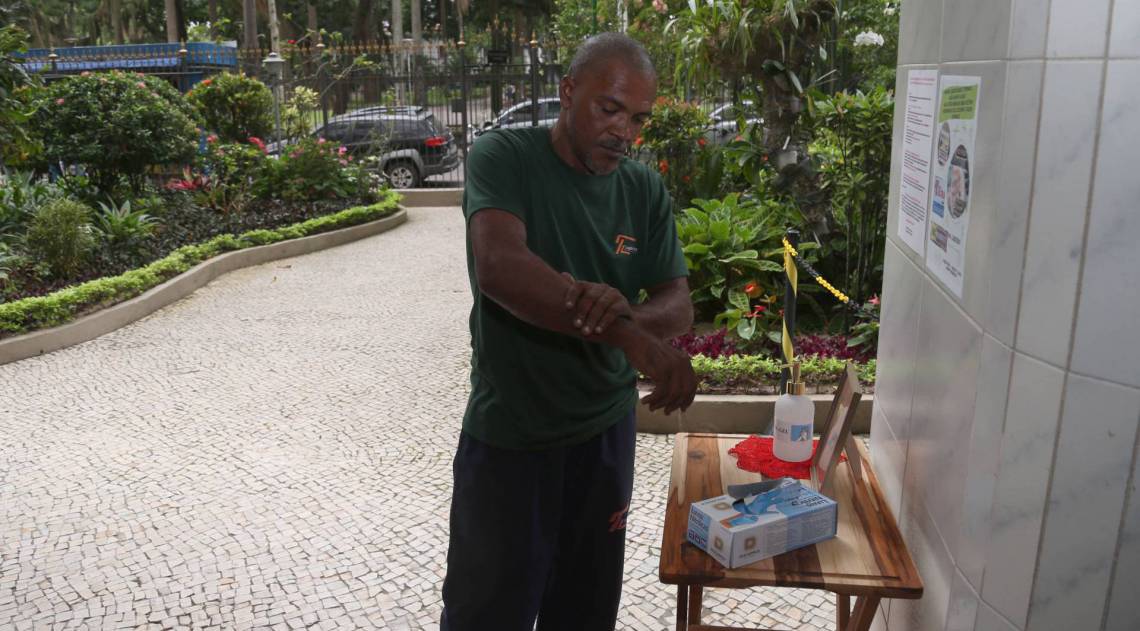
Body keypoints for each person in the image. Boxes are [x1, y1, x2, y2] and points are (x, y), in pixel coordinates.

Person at [440, 33, 698, 631]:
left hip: (605, 438)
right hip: (512, 438)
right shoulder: (504, 156)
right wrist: (628, 338)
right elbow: (500, 268)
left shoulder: (642, 189)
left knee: (585, 612)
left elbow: (678, 304)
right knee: (486, 616)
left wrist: (621, 318)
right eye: (610, 109)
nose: (624, 132)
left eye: (638, 119)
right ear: (567, 91)